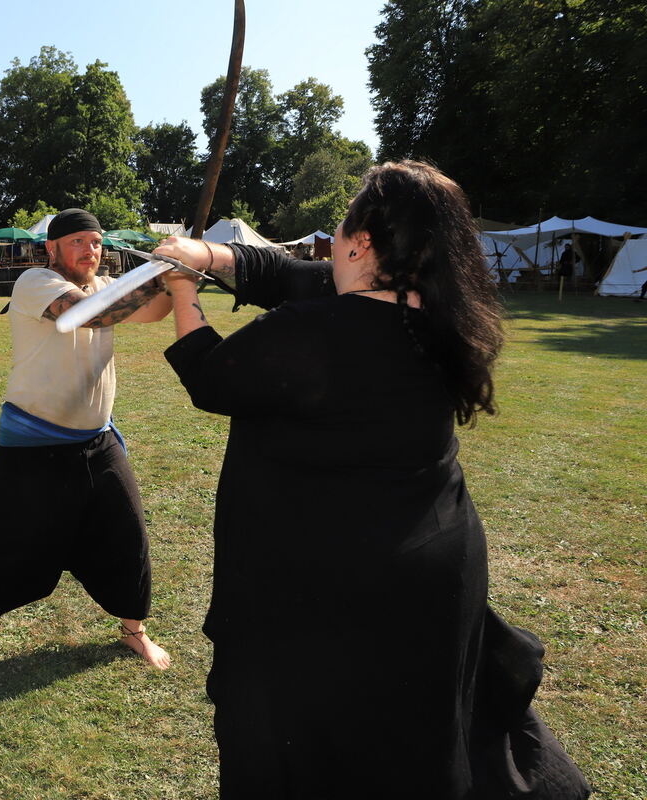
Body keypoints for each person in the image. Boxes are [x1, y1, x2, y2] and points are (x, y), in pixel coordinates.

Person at [155, 161, 589, 798]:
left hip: (329, 586)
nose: (331, 243)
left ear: (361, 243)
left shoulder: (311, 332)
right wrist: (211, 255)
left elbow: (210, 375)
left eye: (340, 229)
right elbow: (290, 275)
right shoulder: (438, 315)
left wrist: (182, 288)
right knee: (410, 739)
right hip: (433, 569)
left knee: (306, 745)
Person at [0, 208, 175, 669]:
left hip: (97, 440)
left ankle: (134, 631)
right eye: (77, 241)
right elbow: (85, 315)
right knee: (2, 538)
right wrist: (157, 276)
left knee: (126, 534)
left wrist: (174, 276)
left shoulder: (103, 287)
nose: (90, 250)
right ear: (51, 248)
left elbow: (156, 311)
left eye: (95, 242)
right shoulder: (34, 282)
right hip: (32, 442)